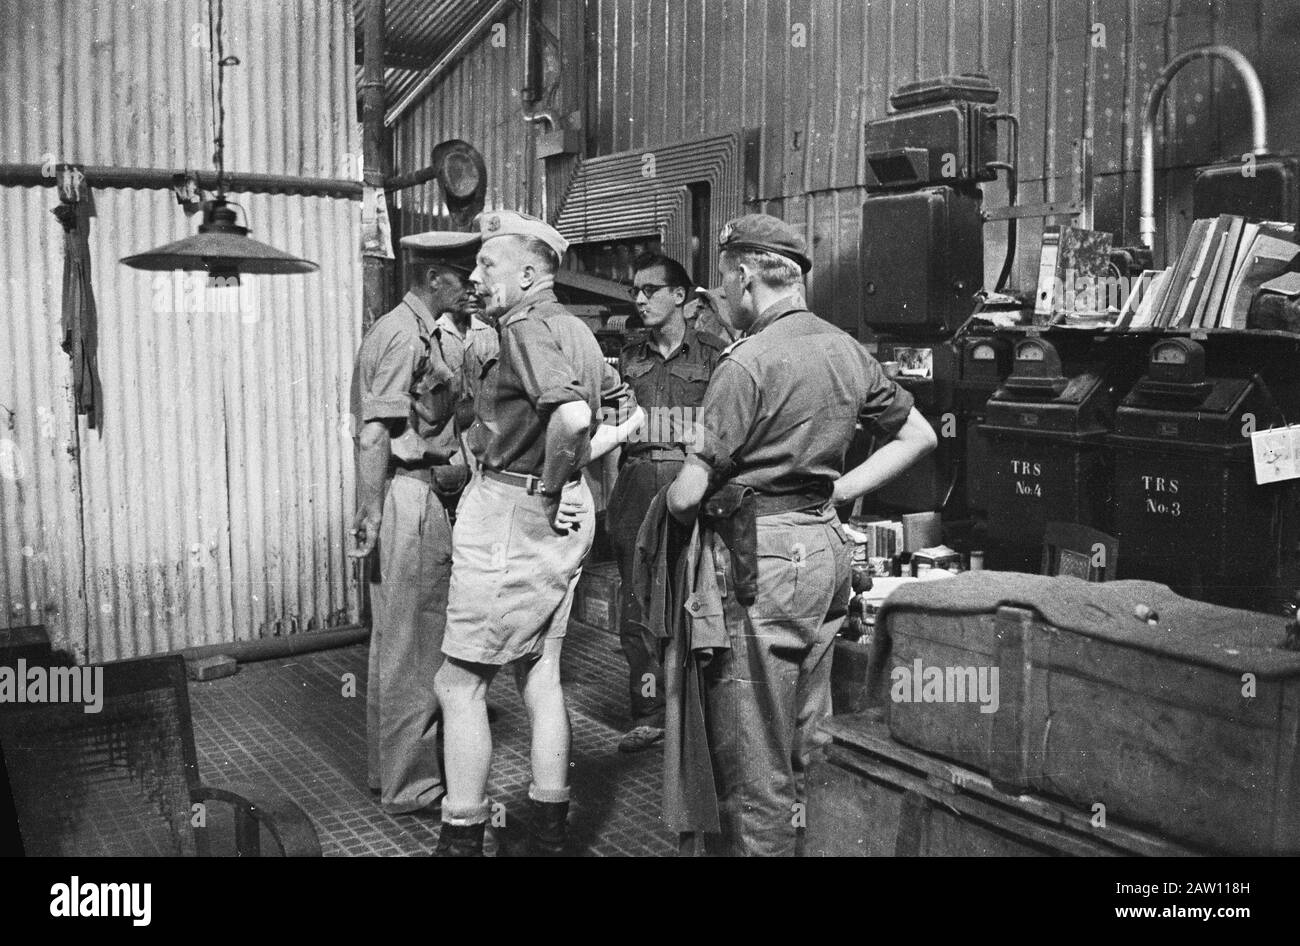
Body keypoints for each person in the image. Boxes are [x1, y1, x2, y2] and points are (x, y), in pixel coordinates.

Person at [666, 213, 937, 856]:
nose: (723, 297)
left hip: (757, 554)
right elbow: (919, 434)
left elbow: (686, 493)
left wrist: (679, 515)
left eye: (724, 281)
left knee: (754, 754)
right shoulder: (845, 348)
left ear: (747, 276)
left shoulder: (747, 363)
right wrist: (838, 490)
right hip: (824, 548)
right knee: (810, 736)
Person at [433, 210, 643, 857]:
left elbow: (574, 416)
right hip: (557, 517)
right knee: (539, 671)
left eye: (487, 264)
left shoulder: (524, 327)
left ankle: (462, 836)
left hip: (514, 512)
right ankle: (550, 828)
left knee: (458, 683)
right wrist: (574, 471)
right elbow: (629, 414)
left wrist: (552, 484)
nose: (475, 274)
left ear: (527, 274)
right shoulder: (575, 328)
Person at [347, 231, 481, 817]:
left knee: (394, 644)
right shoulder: (405, 335)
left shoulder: (411, 330)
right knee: (417, 648)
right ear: (433, 279)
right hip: (410, 501)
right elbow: (375, 433)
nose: (473, 282)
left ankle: (389, 774)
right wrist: (370, 511)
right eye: (461, 273)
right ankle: (414, 786)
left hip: (406, 499)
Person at [608, 253, 726, 753]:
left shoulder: (715, 356)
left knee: (694, 588)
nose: (639, 299)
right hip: (636, 480)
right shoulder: (627, 356)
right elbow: (611, 423)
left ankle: (700, 704)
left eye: (650, 290)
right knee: (636, 596)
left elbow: (722, 426)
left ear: (680, 296)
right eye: (635, 291)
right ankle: (650, 710)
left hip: (690, 479)